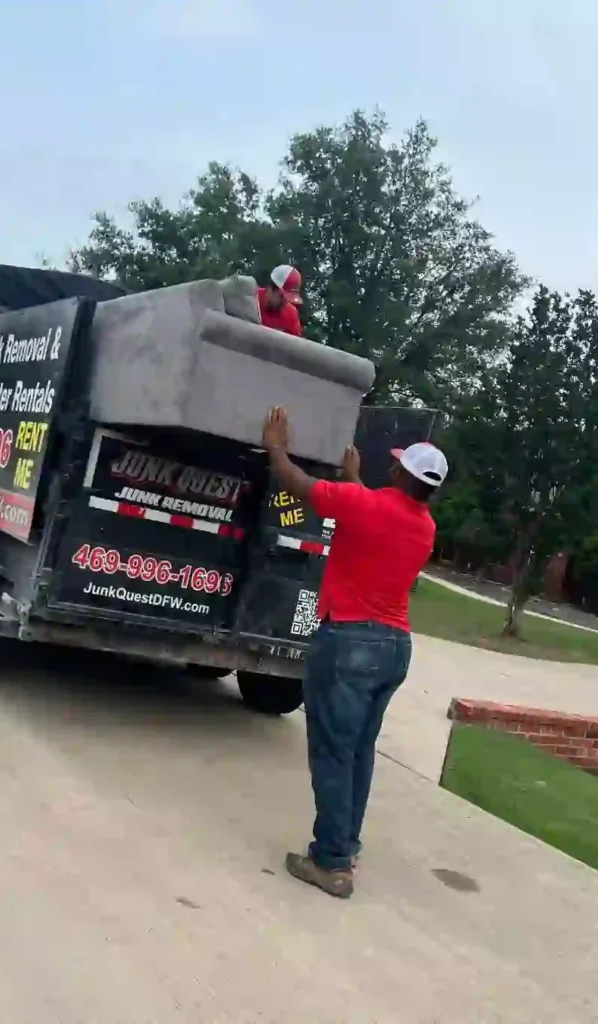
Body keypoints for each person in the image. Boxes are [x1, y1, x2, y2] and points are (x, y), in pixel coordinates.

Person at [261, 406, 448, 899]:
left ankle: (331, 862)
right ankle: (346, 845)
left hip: (348, 642)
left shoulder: (362, 504)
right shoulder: (424, 527)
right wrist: (355, 480)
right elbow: (374, 514)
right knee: (358, 751)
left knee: (333, 752)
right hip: (394, 647)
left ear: (402, 474)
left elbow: (299, 484)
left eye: (398, 464)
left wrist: (276, 446)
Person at [257, 265, 303, 336]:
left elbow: (295, 341)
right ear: (270, 289)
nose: (284, 302)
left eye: (288, 299)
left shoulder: (291, 315)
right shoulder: (251, 298)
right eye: (282, 297)